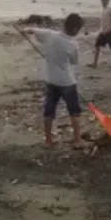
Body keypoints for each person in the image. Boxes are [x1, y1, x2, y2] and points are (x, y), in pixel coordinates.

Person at [20, 14, 85, 149]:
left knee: (49, 111)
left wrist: (24, 31)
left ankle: (48, 140)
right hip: (67, 82)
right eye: (78, 29)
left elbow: (33, 30)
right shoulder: (73, 44)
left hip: (51, 81)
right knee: (74, 112)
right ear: (74, 29)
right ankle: (77, 140)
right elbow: (74, 61)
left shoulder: (50, 35)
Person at [88, 0, 111, 68]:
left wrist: (108, 29)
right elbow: (103, 21)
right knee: (97, 45)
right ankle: (95, 63)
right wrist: (101, 30)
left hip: (110, 31)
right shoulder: (104, 9)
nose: (103, 1)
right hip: (103, 31)